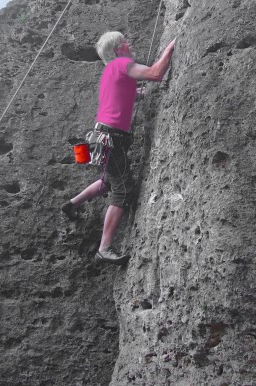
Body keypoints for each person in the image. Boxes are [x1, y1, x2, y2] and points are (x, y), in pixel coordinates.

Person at [61, 31, 176, 265]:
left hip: (101, 135)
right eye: (125, 42)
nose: (129, 44)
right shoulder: (122, 64)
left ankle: (72, 204)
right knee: (123, 190)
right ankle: (104, 248)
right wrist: (170, 49)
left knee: (110, 181)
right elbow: (155, 73)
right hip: (110, 137)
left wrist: (141, 93)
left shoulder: (109, 74)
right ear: (117, 50)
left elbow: (128, 96)